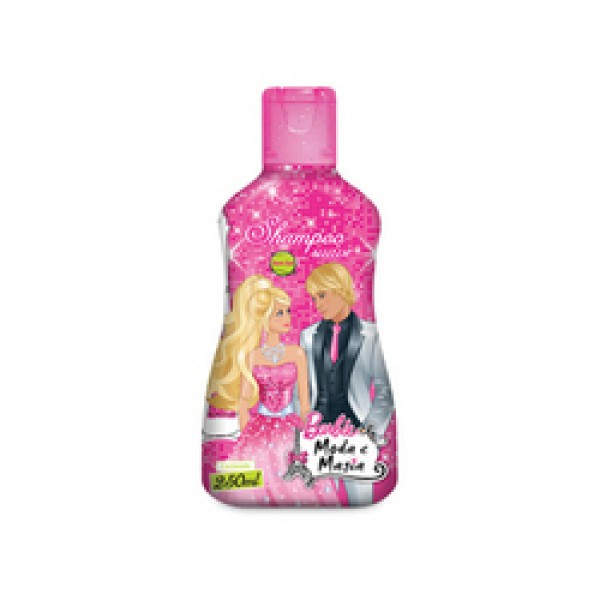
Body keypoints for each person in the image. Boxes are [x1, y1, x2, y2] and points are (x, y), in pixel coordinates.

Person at [206, 275, 340, 506]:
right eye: (279, 313)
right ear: (264, 318)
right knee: (259, 479)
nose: (287, 318)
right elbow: (243, 402)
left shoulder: (296, 353)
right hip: (259, 428)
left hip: (291, 425)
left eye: (288, 311)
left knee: (300, 480)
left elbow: (305, 400)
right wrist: (246, 435)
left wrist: (308, 431)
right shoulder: (252, 357)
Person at [296, 262, 394, 505]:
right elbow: (303, 386)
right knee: (312, 498)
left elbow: (384, 391)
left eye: (322, 295)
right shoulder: (308, 336)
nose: (317, 304)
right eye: (313, 298)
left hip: (357, 430)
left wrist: (369, 431)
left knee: (360, 499)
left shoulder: (371, 336)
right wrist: (303, 424)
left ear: (340, 289)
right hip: (317, 431)